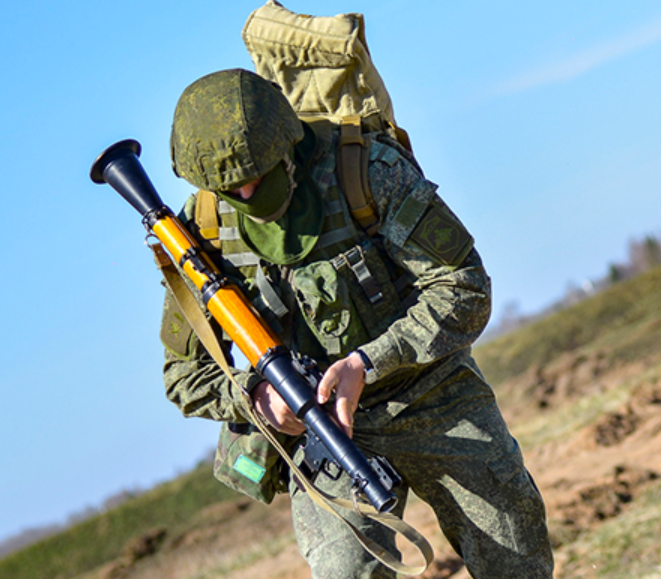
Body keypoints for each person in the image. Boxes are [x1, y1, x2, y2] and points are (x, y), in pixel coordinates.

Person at [160, 68, 554, 578]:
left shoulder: (366, 171)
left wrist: (367, 361)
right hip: (322, 436)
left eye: (257, 170)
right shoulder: (201, 235)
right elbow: (185, 378)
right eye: (230, 184)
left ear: (286, 140)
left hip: (431, 393)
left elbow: (464, 287)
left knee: (515, 558)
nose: (247, 187)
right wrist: (258, 397)